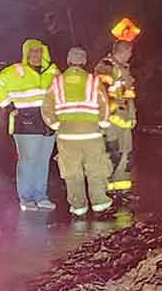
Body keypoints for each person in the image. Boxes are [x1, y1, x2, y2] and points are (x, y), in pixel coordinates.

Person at [0, 38, 59, 211]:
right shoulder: (16, 71)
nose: (36, 55)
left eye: (39, 51)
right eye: (32, 51)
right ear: (26, 53)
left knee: (43, 161)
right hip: (26, 124)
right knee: (28, 160)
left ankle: (41, 196)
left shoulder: (53, 71)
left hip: (48, 123)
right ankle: (26, 198)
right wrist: (9, 106)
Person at [42, 46, 113, 216]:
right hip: (92, 135)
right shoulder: (93, 81)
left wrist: (55, 125)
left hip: (67, 136)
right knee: (96, 169)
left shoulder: (57, 82)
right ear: (84, 61)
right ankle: (100, 204)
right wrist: (102, 124)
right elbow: (104, 104)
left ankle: (78, 207)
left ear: (68, 61)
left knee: (72, 171)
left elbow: (46, 107)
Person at [94, 40, 136, 197]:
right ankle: (106, 189)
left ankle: (121, 188)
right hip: (112, 121)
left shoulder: (122, 68)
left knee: (125, 153)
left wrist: (130, 115)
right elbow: (102, 94)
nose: (131, 55)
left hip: (124, 120)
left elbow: (126, 96)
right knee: (112, 153)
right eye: (129, 52)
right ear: (123, 51)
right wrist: (112, 115)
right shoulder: (106, 66)